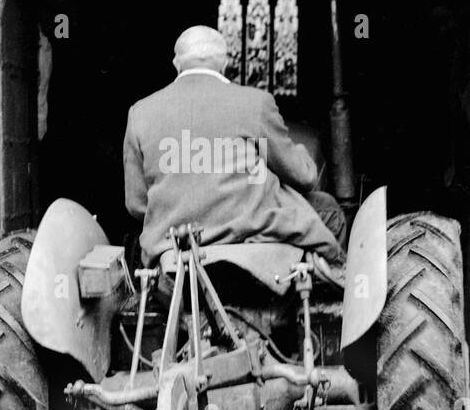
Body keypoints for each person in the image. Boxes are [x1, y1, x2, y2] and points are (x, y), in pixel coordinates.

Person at [123, 26, 345, 266]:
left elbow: (137, 205)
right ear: (225, 63)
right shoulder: (255, 103)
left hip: (175, 243)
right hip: (250, 231)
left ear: (177, 63)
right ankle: (333, 290)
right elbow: (303, 177)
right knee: (329, 210)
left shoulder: (140, 112)